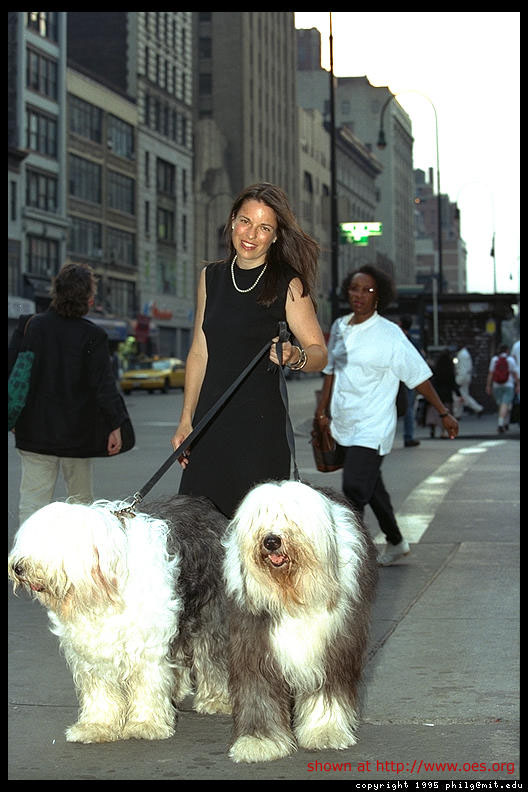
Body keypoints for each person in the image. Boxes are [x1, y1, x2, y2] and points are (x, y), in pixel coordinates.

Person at [171, 182, 327, 518]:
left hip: (259, 431)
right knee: (199, 534)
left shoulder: (287, 282)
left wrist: (294, 356)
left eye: (264, 227)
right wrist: (186, 420)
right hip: (209, 425)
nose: (251, 234)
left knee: (252, 535)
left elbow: (319, 353)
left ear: (275, 236)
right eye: (245, 221)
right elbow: (200, 350)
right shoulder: (210, 277)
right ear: (231, 221)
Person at [315, 266, 459, 566]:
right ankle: (395, 541)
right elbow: (331, 371)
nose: (360, 295)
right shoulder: (340, 326)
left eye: (368, 290)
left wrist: (443, 412)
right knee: (372, 485)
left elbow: (417, 376)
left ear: (379, 296)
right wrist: (321, 410)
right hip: (344, 421)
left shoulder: (390, 334)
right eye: (355, 289)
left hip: (373, 425)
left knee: (354, 486)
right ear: (347, 291)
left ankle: (351, 554)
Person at [9, 262, 128, 525]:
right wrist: (115, 424)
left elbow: (13, 373)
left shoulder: (31, 326)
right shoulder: (93, 336)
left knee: (33, 501)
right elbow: (103, 386)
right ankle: (78, 561)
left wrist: (15, 417)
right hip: (78, 435)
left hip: (34, 431)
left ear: (57, 292)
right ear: (89, 298)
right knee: (81, 504)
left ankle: (27, 562)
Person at [425, 349, 462, 438]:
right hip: (447, 394)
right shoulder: (449, 370)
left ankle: (432, 428)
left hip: (437, 393)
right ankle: (444, 431)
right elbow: (453, 383)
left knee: (434, 412)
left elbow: (432, 381)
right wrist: (459, 394)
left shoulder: (436, 369)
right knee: (446, 412)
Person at [399, 314, 423, 447]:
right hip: (408, 377)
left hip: (395, 377)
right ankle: (408, 436)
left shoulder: (396, 339)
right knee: (408, 407)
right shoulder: (413, 341)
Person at [486, 344, 520, 433]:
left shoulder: (494, 360)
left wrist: (488, 386)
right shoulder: (510, 360)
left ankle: (504, 423)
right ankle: (501, 424)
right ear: (507, 351)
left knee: (501, 405)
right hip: (508, 385)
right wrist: (518, 385)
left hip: (496, 385)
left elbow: (490, 373)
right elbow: (515, 373)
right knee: (506, 404)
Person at [454, 345, 484, 416]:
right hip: (465, 377)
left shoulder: (462, 355)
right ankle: (458, 414)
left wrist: (459, 380)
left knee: (461, 396)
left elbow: (463, 369)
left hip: (462, 377)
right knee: (463, 395)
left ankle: (478, 408)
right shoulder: (465, 354)